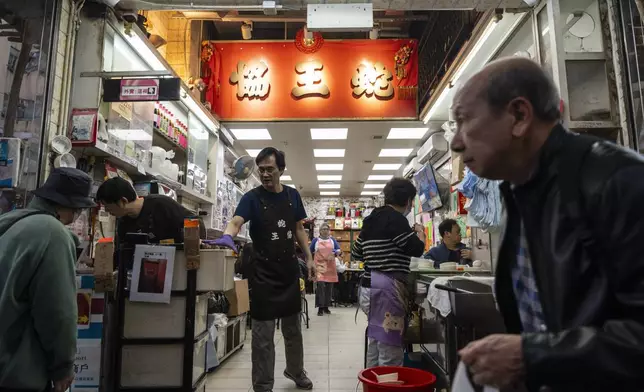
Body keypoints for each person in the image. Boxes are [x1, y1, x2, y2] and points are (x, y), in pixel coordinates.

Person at [452, 57, 644, 392]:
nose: (455, 142)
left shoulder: (617, 183)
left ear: (519, 116)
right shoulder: (520, 193)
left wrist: (533, 357)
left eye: (464, 121)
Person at [214, 147, 314, 392]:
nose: (266, 174)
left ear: (281, 169)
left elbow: (299, 228)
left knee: (293, 330)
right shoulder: (252, 198)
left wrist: (309, 258)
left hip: (289, 271)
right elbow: (236, 221)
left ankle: (295, 370)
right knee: (262, 335)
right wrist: (228, 236)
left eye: (270, 169)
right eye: (262, 170)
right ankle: (262, 384)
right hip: (263, 274)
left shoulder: (292, 196)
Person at [0, 168, 97, 392]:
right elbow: (57, 311)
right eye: (79, 209)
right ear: (68, 207)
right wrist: (63, 366)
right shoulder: (53, 234)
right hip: (17, 371)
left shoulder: (10, 223)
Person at [353, 177, 425, 367]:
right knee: (391, 348)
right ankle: (387, 386)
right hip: (387, 291)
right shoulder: (397, 220)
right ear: (408, 200)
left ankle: (372, 385)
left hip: (368, 289)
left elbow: (356, 252)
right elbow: (416, 249)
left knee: (376, 341)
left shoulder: (370, 219)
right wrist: (420, 233)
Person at [95, 177, 204, 253]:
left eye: (107, 205)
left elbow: (195, 221)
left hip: (177, 269)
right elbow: (123, 255)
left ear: (123, 201)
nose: (107, 210)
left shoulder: (162, 205)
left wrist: (192, 241)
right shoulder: (124, 223)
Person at [309, 222, 341, 316]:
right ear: (320, 231)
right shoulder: (315, 240)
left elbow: (338, 250)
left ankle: (326, 306)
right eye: (323, 229)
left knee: (329, 287)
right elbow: (309, 251)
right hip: (319, 266)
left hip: (330, 266)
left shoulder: (332, 240)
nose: (325, 231)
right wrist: (310, 263)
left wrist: (335, 251)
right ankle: (320, 307)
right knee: (320, 286)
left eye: (327, 229)